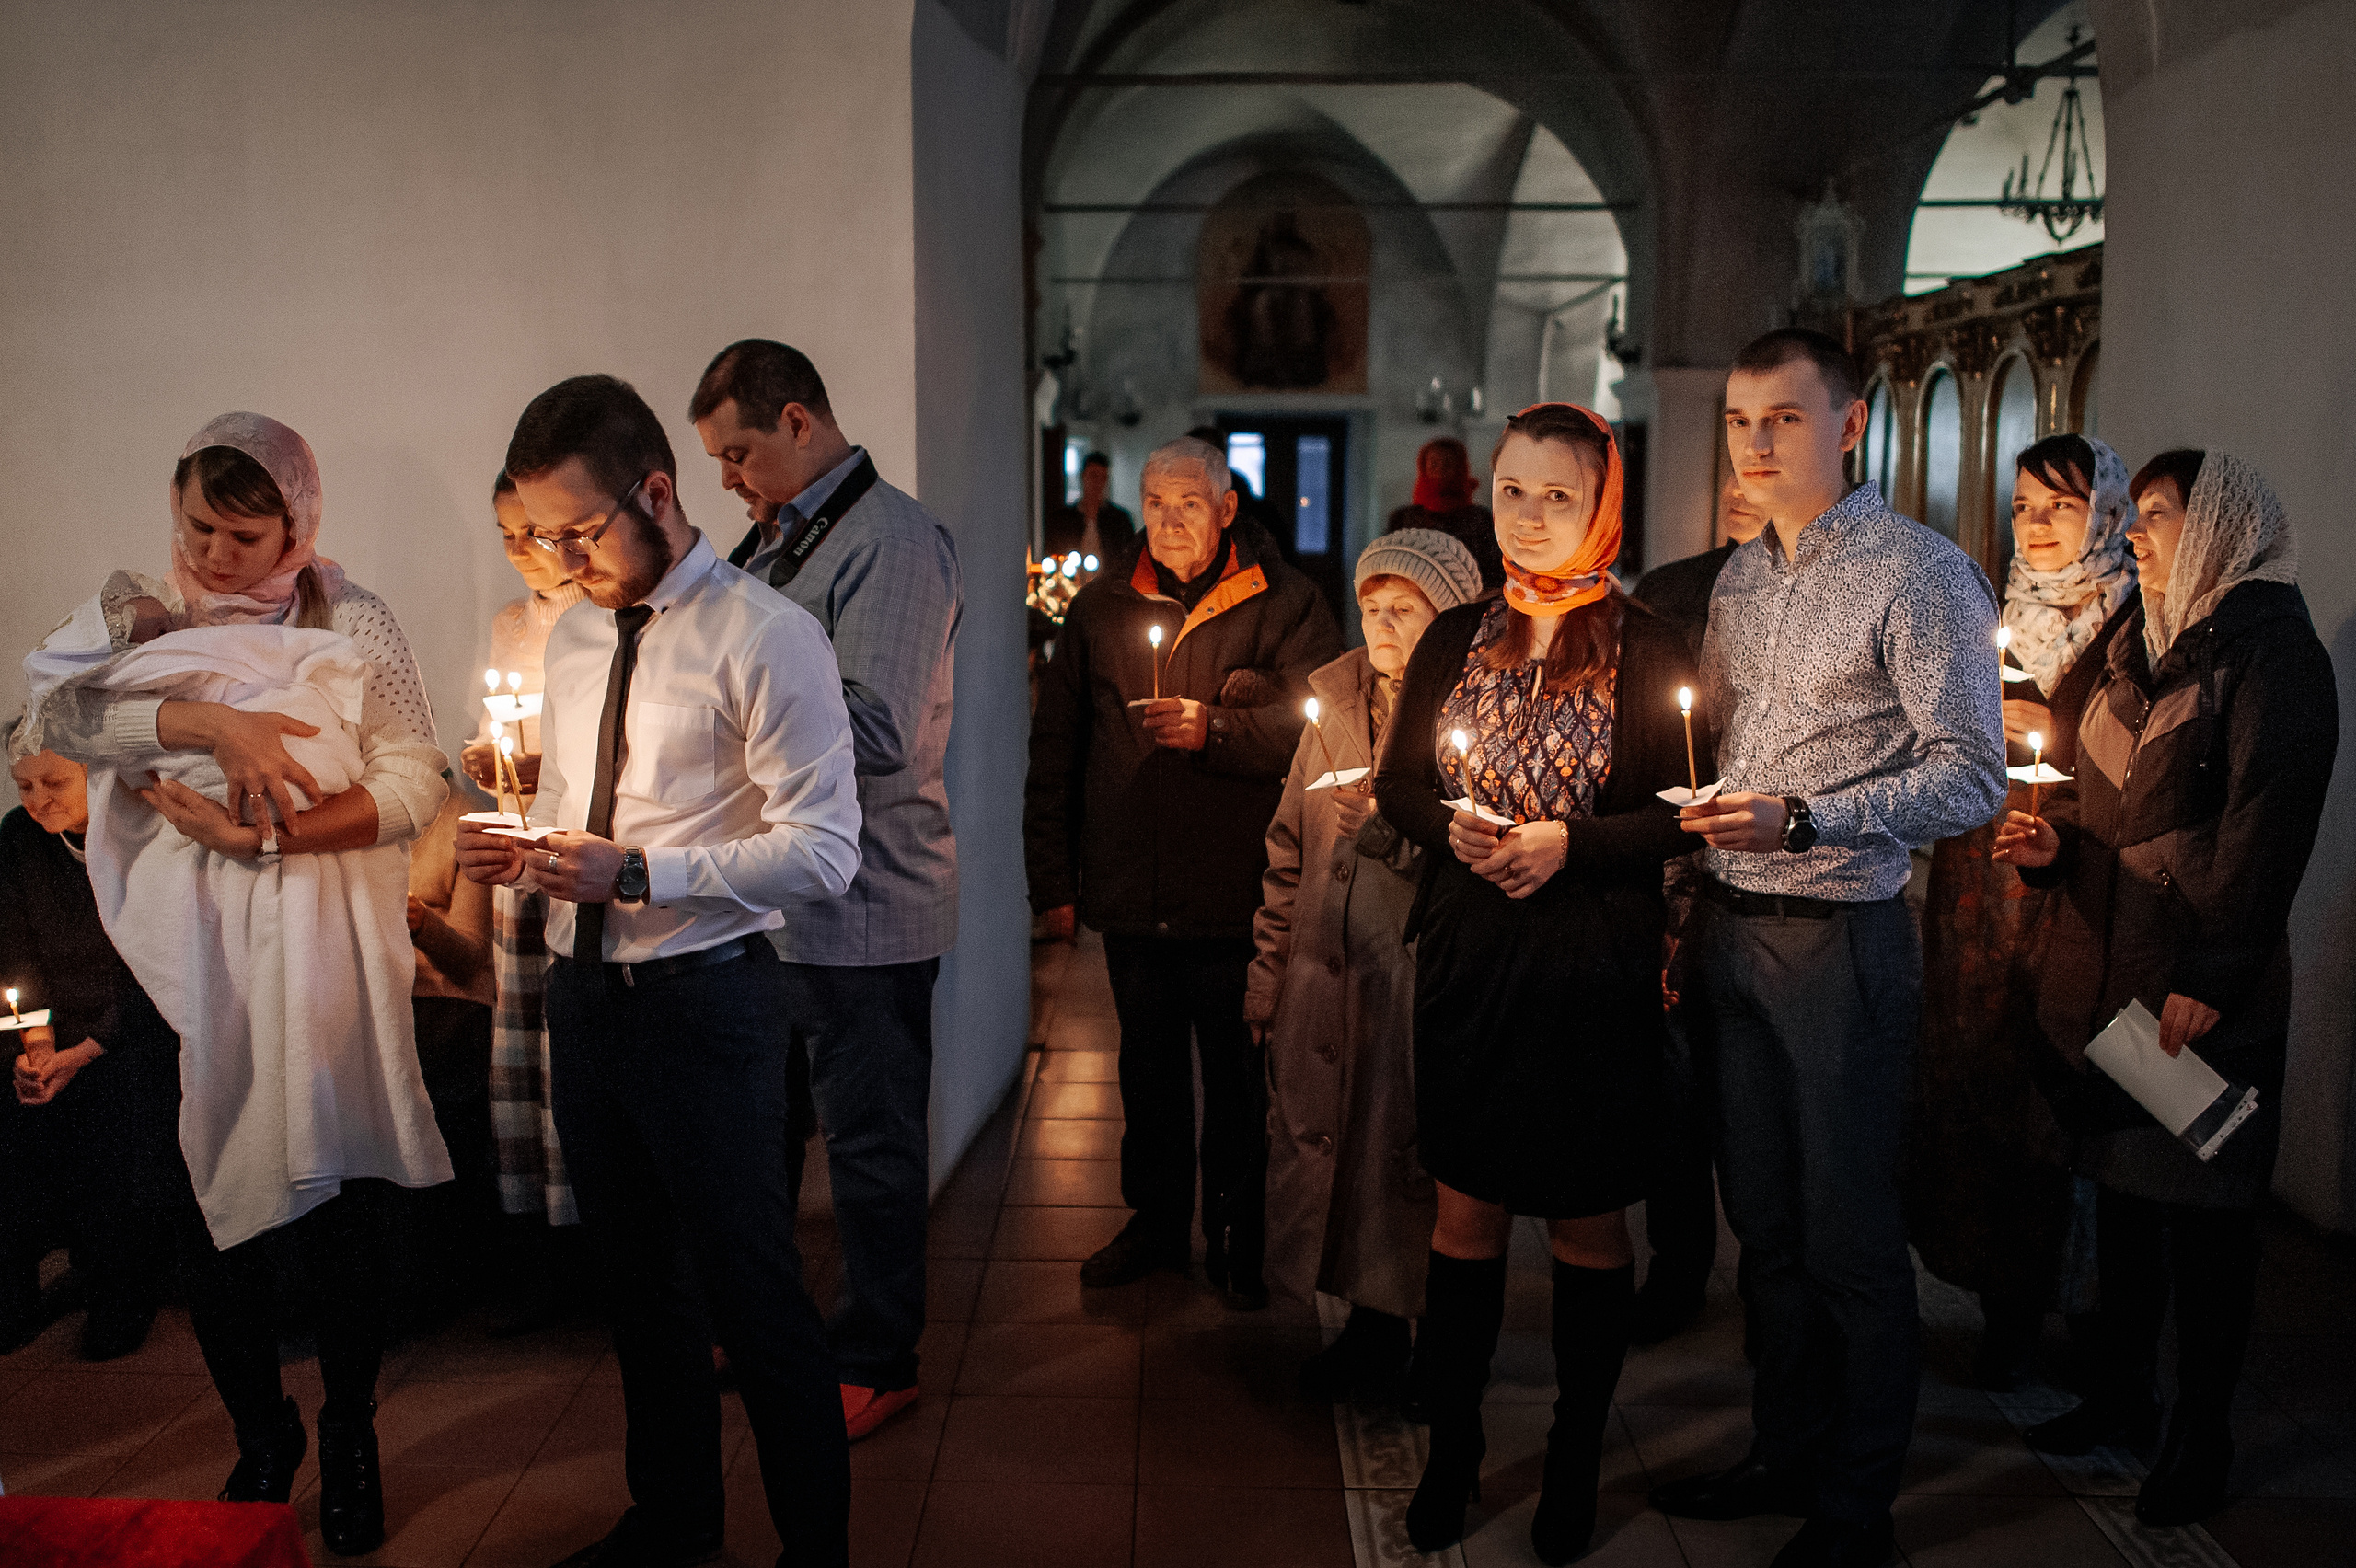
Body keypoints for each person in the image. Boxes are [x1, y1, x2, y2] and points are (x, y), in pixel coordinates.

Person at [24, 411, 455, 1557]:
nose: (214, 556)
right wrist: (207, 716)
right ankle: (263, 1434)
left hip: (319, 948)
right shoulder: (138, 611)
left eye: (244, 535)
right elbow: (52, 717)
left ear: (299, 526)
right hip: (189, 966)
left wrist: (274, 832)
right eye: (199, 527)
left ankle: (351, 1428)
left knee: (343, 1203)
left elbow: (417, 776)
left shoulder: (351, 618)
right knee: (204, 1214)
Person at [458, 374, 863, 1568]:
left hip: (707, 1006)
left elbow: (826, 853)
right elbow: (586, 813)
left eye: (577, 532)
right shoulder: (575, 634)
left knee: (755, 1299)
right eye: (535, 537)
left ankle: (816, 1552)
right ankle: (676, 1524)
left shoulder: (766, 635)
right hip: (586, 1006)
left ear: (657, 492)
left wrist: (637, 876)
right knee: (636, 1292)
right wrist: (521, 844)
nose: (558, 560)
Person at [1657, 330, 2005, 1568]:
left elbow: (1973, 778)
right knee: (1765, 1223)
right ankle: (1782, 1452)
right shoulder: (1740, 580)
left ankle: (1857, 1506)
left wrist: (1811, 816)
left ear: (1850, 425)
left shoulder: (1923, 572)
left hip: (1842, 937)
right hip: (1732, 930)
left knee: (1851, 1232)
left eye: (1784, 421)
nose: (1755, 444)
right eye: (1742, 420)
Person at [1374, 404, 1703, 1563]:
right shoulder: (1456, 632)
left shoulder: (1651, 644)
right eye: (1512, 491)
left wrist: (1570, 844)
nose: (1529, 516)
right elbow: (1398, 785)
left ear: (1601, 502)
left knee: (1583, 1222)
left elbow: (1680, 820)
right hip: (1473, 956)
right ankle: (1454, 1449)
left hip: (1588, 970)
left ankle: (1571, 1458)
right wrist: (1452, 825)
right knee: (1463, 1215)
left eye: (1557, 494)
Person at [1996, 449, 2337, 1527]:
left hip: (2191, 987)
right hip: (2107, 973)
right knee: (2129, 1200)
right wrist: (2047, 850)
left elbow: (2264, 827)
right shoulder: (2135, 642)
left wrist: (2215, 974)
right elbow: (2096, 795)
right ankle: (2118, 1397)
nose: (2133, 533)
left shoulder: (2271, 652)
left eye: (2156, 514)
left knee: (2206, 1223)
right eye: (2131, 514)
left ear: (2222, 524)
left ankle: (2200, 1434)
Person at [690, 338, 962, 1442]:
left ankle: (876, 1352)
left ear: (799, 422)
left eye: (739, 450)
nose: (728, 478)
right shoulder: (773, 540)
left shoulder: (889, 540)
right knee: (766, 1138)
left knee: (871, 1149)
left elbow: (883, 730)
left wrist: (726, 710)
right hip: (779, 902)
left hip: (869, 904)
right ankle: (779, 1332)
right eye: (713, 458)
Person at [1024, 435, 1340, 1305]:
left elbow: (1324, 730)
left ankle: (1240, 1231)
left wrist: (1221, 730)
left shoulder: (1284, 604)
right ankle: (1156, 1225)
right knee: (1148, 1072)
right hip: (1133, 886)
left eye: (1188, 504)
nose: (1168, 522)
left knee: (1238, 1081)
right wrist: (1050, 878)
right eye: (1155, 504)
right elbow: (1057, 746)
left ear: (1228, 508)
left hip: (1236, 889)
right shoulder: (1100, 611)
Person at [1903, 434, 2138, 1389]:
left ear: (2106, 515)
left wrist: (2051, 740)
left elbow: (2139, 775)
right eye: (2023, 508)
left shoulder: (2129, 628)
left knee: (2061, 1092)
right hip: (1974, 889)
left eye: (2060, 506)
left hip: (2075, 892)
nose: (2037, 526)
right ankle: (2000, 1305)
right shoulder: (1995, 616)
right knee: (1977, 1084)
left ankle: (2087, 1319)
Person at [1247, 528, 1484, 1401]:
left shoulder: (1476, 708)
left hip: (1418, 977)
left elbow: (1486, 846)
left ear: (1450, 616)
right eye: (1372, 608)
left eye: (1406, 609)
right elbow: (1284, 853)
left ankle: (1436, 1351)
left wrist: (1392, 828)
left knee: (1407, 1163)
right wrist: (1269, 975)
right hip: (1325, 971)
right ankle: (1371, 1330)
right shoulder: (1340, 705)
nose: (1382, 626)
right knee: (1337, 1155)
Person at [1625, 467, 1770, 1345]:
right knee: (1672, 1092)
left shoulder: (1827, 595)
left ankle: (1768, 1288)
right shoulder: (1672, 590)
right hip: (1674, 863)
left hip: (1771, 861)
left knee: (1756, 1107)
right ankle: (1676, 1270)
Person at [0, 744, 186, 1362]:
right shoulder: (19, 838)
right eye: (22, 785)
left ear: (95, 773)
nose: (37, 800)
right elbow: (15, 955)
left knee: (118, 1098)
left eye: (53, 781)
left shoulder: (142, 828)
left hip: (137, 1018)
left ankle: (121, 1286)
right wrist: (38, 1044)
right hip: (53, 1021)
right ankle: (16, 1289)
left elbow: (155, 962)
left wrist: (82, 1053)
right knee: (15, 1096)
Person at [470, 470, 589, 1328]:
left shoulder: (605, 621)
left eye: (534, 532)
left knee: (578, 1052)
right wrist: (491, 760)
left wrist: (546, 779)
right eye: (507, 534)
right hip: (521, 866)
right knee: (523, 1047)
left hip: (578, 862)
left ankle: (592, 1231)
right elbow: (499, 741)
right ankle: (535, 1243)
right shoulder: (514, 625)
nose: (522, 551)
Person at [406, 787, 499, 1319]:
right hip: (368, 996)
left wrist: (420, 920)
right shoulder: (338, 818)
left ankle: (441, 1282)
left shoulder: (465, 821)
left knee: (433, 1084)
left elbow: (468, 958)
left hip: (443, 998)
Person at [1386, 434, 1503, 591]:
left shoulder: (1479, 519)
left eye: (1448, 465)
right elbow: (1390, 570)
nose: (1441, 470)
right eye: (1434, 464)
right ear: (1424, 468)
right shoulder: (1403, 519)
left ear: (1460, 469)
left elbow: (1495, 573)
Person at [1042, 450, 1136, 569]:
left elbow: (1128, 560)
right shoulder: (1062, 520)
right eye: (1093, 476)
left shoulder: (1119, 520)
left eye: (1103, 478)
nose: (1097, 483)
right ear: (1083, 476)